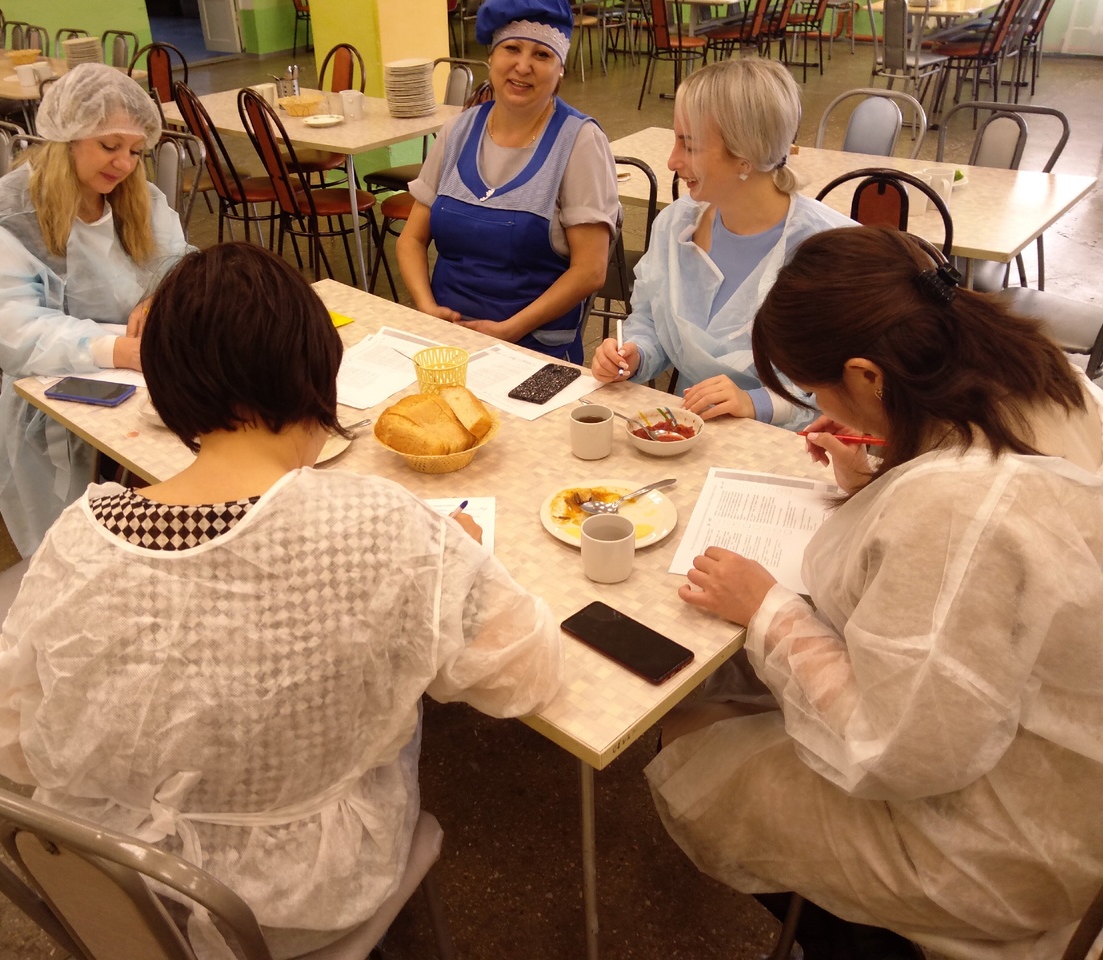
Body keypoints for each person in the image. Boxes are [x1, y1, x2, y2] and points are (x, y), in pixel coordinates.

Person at [0, 242, 563, 959]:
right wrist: (457, 561)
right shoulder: (390, 529)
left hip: (105, 886)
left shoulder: (76, 538)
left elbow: (1, 738)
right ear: (316, 377)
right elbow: (527, 677)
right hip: (293, 905)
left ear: (168, 388)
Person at [647, 227, 1103, 960]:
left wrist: (766, 607)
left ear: (866, 375)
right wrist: (894, 448)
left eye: (816, 388)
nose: (818, 406)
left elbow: (894, 750)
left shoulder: (956, 507)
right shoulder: (1038, 373)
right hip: (1058, 755)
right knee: (744, 694)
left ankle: (859, 943)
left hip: (1003, 838)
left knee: (691, 742)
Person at [0, 63, 192, 557]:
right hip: (55, 401)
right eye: (109, 146)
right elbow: (9, 323)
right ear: (66, 137)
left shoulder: (135, 197)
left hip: (144, 377)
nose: (124, 164)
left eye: (135, 151)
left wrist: (160, 294)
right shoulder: (10, 215)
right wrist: (113, 350)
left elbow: (177, 261)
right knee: (85, 547)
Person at [590, 58, 853, 432]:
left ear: (745, 157)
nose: (672, 161)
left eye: (689, 145)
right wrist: (635, 354)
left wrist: (755, 401)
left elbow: (844, 390)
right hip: (690, 431)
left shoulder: (827, 251)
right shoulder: (677, 227)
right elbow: (651, 319)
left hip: (791, 446)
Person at [396, 0, 619, 364]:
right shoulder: (457, 131)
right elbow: (411, 239)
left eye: (542, 54)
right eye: (511, 48)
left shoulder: (579, 142)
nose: (523, 66)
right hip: (445, 341)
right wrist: (427, 309)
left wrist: (510, 330)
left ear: (560, 69)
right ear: (491, 58)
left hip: (535, 350)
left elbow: (590, 270)